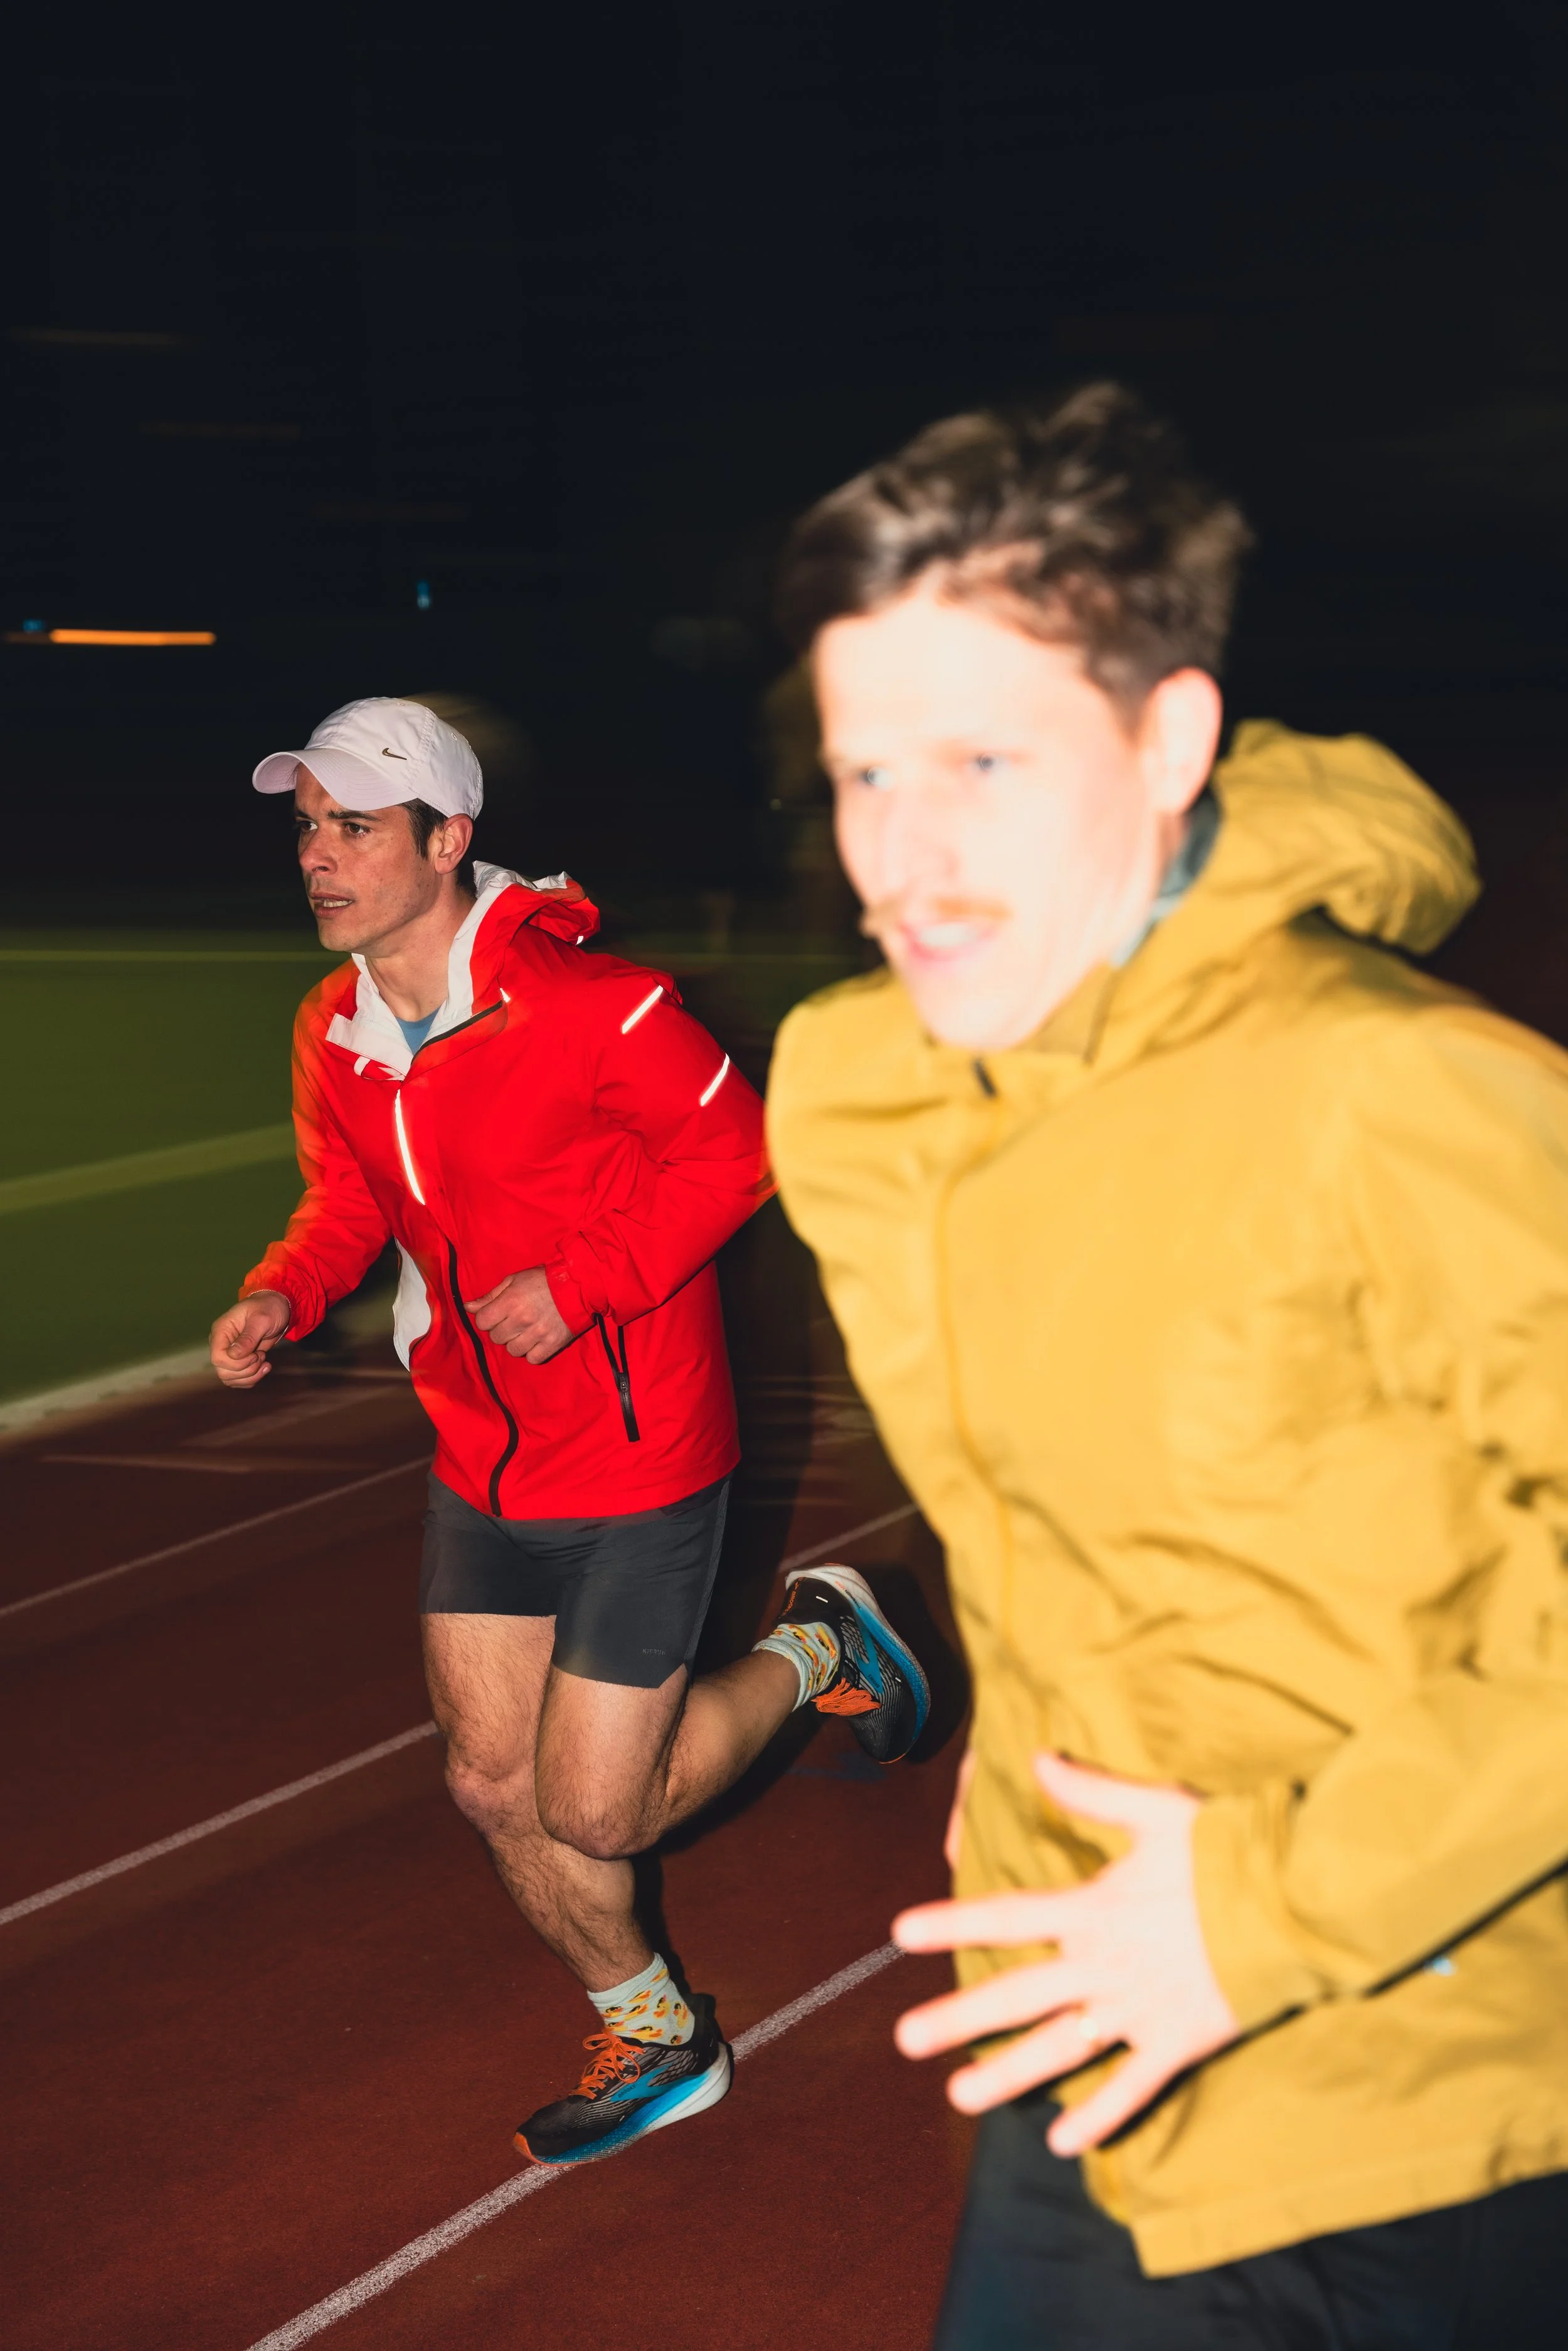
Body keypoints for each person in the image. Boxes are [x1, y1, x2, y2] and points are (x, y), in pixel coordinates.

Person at [764, 386, 1568, 2346]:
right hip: (1085, 2026)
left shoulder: (1402, 1096)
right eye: (868, 771)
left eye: (980, 759)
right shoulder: (858, 1093)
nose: (908, 852)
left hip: (1414, 2081)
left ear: (1169, 736)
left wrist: (1255, 1914)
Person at [208, 694, 927, 2164]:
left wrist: (590, 1276)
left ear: (448, 836)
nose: (319, 856)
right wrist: (283, 1292)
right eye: (306, 827)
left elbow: (741, 1149)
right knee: (490, 1782)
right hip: (481, 1450)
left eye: (353, 825)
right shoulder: (335, 1028)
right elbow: (349, 1202)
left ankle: (818, 1646)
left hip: (638, 1446)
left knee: (598, 1811)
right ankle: (658, 2026)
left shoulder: (606, 1008)